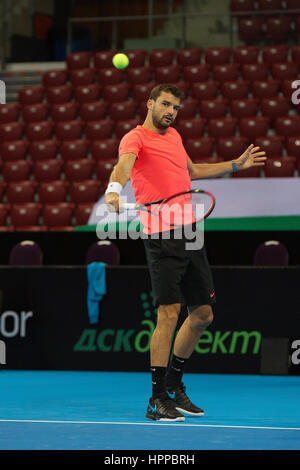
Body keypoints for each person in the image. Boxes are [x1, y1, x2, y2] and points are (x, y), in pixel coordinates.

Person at [105, 84, 266, 422]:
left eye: (176, 107)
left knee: (203, 314)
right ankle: (156, 397)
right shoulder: (135, 138)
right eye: (165, 104)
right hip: (161, 234)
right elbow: (123, 166)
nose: (171, 111)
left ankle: (174, 387)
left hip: (190, 232)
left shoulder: (175, 137)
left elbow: (191, 171)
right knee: (168, 313)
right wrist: (114, 190)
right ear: (149, 103)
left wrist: (235, 164)